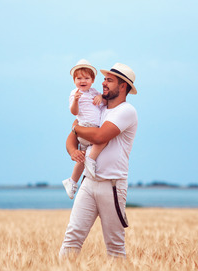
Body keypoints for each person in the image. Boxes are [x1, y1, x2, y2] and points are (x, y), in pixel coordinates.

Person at [59, 62, 138, 259]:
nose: (103, 83)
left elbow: (99, 136)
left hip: (111, 185)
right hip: (88, 181)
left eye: (109, 80)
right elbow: (73, 134)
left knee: (114, 246)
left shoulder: (126, 111)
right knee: (72, 238)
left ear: (122, 87)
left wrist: (77, 128)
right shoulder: (99, 107)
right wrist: (71, 150)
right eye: (103, 79)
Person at [62, 59, 108, 199]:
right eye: (79, 78)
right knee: (102, 141)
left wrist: (101, 97)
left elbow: (105, 102)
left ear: (92, 80)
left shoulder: (94, 92)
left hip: (93, 127)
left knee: (81, 158)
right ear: (74, 80)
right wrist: (75, 100)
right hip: (85, 127)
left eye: (86, 78)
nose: (83, 81)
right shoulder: (74, 93)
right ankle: (91, 160)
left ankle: (72, 181)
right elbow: (74, 112)